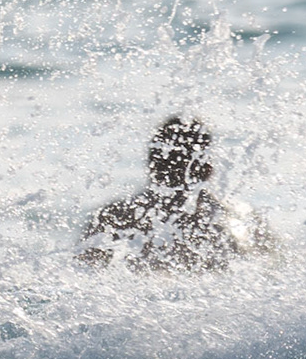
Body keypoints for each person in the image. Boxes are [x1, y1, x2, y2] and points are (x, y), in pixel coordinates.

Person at [77, 116, 270, 271]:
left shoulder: (113, 219)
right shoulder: (239, 221)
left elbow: (82, 272)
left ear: (152, 166)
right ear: (208, 169)